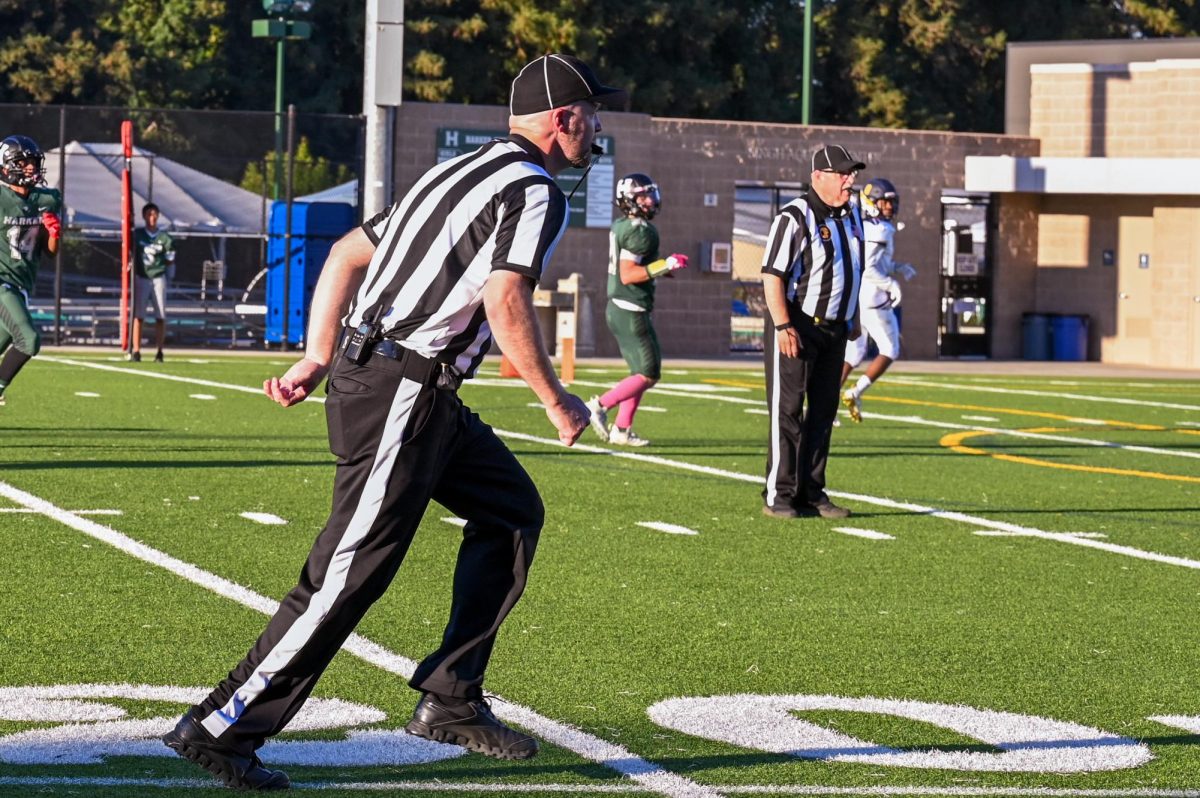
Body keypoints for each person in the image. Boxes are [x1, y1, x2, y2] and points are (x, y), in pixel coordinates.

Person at [162, 53, 625, 790]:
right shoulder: (534, 190)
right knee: (350, 570)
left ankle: (451, 697)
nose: (597, 127)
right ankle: (223, 724)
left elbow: (348, 252)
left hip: (405, 385)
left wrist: (316, 356)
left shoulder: (454, 173)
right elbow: (506, 300)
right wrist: (555, 398)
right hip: (402, 388)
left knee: (509, 511)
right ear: (563, 118)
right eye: (592, 113)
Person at [761, 144, 865, 520]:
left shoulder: (852, 216)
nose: (849, 180)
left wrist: (851, 317)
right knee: (787, 411)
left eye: (851, 173)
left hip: (836, 330)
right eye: (843, 174)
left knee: (823, 412)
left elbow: (854, 268)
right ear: (818, 177)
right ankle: (780, 494)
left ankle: (812, 492)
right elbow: (772, 275)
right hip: (799, 326)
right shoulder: (795, 216)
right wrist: (783, 325)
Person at [585, 173, 688, 446]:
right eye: (643, 195)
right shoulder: (640, 231)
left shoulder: (622, 225)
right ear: (629, 199)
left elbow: (633, 268)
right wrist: (663, 265)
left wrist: (662, 268)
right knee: (649, 373)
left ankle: (621, 429)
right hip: (631, 309)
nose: (650, 200)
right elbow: (629, 274)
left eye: (650, 193)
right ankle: (599, 405)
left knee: (639, 374)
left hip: (620, 306)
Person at [840, 178, 916, 422]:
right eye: (885, 202)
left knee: (854, 353)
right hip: (873, 296)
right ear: (871, 202)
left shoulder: (868, 226)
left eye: (892, 202)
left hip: (859, 296)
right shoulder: (880, 229)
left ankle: (824, 405)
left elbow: (877, 263)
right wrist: (890, 283)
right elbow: (868, 266)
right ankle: (855, 391)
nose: (890, 207)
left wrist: (898, 267)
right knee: (890, 349)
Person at [0, 135, 61, 406]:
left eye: (33, 162)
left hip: (22, 284)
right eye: (23, 162)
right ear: (5, 166)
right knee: (29, 340)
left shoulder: (46, 199)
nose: (31, 168)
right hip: (2, 284)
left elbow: (49, 252)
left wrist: (55, 233)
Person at [130, 202, 175, 362]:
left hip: (158, 277)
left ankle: (160, 351)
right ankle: (136, 350)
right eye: (149, 214)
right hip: (142, 277)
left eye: (154, 214)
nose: (152, 217)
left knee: (160, 315)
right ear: (144, 216)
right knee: (139, 315)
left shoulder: (164, 238)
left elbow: (170, 259)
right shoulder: (138, 234)